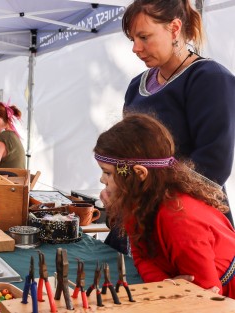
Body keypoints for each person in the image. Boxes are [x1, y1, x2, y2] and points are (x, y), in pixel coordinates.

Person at [94, 113, 235, 299]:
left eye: (107, 173)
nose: (102, 179)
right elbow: (142, 257)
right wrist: (164, 285)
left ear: (139, 173)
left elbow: (209, 296)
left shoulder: (179, 219)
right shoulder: (139, 202)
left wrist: (179, 292)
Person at [122, 0, 235, 224]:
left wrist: (155, 198)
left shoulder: (209, 78)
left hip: (187, 219)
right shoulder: (136, 86)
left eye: (144, 37)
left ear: (174, 29)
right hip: (141, 215)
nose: (135, 48)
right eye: (133, 39)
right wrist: (118, 187)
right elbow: (124, 154)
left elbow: (213, 165)